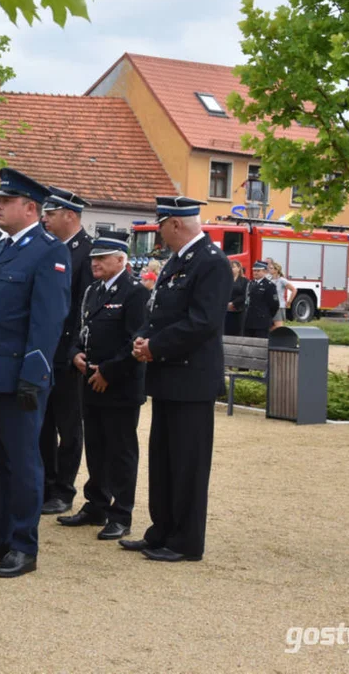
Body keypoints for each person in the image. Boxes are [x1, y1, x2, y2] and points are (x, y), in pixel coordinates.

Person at [0, 168, 70, 579]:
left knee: (23, 465)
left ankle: (24, 545)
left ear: (30, 208)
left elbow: (46, 322)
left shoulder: (48, 251)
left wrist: (32, 377)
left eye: (5, 201)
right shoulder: (1, 249)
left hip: (18, 377)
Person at [123, 196, 231, 563]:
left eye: (160, 226)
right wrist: (142, 339)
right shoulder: (179, 260)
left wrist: (156, 346)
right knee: (164, 461)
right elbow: (157, 312)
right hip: (169, 375)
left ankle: (186, 541)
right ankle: (162, 530)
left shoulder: (211, 263)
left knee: (187, 463)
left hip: (191, 378)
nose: (159, 234)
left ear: (175, 224)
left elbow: (203, 322)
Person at [59, 232, 148, 541]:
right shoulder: (93, 290)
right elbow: (80, 330)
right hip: (90, 381)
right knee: (96, 447)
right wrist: (74, 355)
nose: (94, 263)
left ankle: (121, 513)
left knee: (121, 451)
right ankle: (96, 503)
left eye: (102, 258)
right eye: (93, 258)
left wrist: (109, 372)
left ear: (121, 260)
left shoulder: (135, 293)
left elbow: (134, 340)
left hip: (119, 385)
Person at [37, 186, 92, 516]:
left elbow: (86, 308)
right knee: (42, 423)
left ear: (70, 216)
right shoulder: (50, 250)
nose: (45, 218)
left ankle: (64, 489)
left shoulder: (86, 252)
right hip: (45, 350)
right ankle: (45, 482)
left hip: (68, 353)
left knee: (68, 426)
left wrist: (76, 349)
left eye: (51, 214)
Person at [243, 260, 279, 338]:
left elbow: (274, 305)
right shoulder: (250, 283)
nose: (255, 273)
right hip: (249, 320)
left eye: (258, 271)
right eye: (254, 271)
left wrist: (267, 316)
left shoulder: (269, 285)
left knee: (261, 344)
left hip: (262, 321)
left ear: (265, 271)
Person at [267, 260, 295, 329]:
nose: (269, 270)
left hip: (279, 306)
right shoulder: (269, 279)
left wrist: (289, 301)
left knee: (278, 327)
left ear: (276, 270)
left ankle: (282, 338)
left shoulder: (282, 280)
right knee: (270, 326)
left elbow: (294, 290)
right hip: (270, 306)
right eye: (269, 268)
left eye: (271, 268)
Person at [225, 260, 247, 336]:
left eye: (233, 267)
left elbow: (245, 295)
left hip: (238, 309)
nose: (231, 269)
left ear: (239, 268)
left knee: (237, 331)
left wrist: (233, 303)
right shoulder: (226, 280)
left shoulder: (244, 281)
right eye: (230, 267)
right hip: (226, 309)